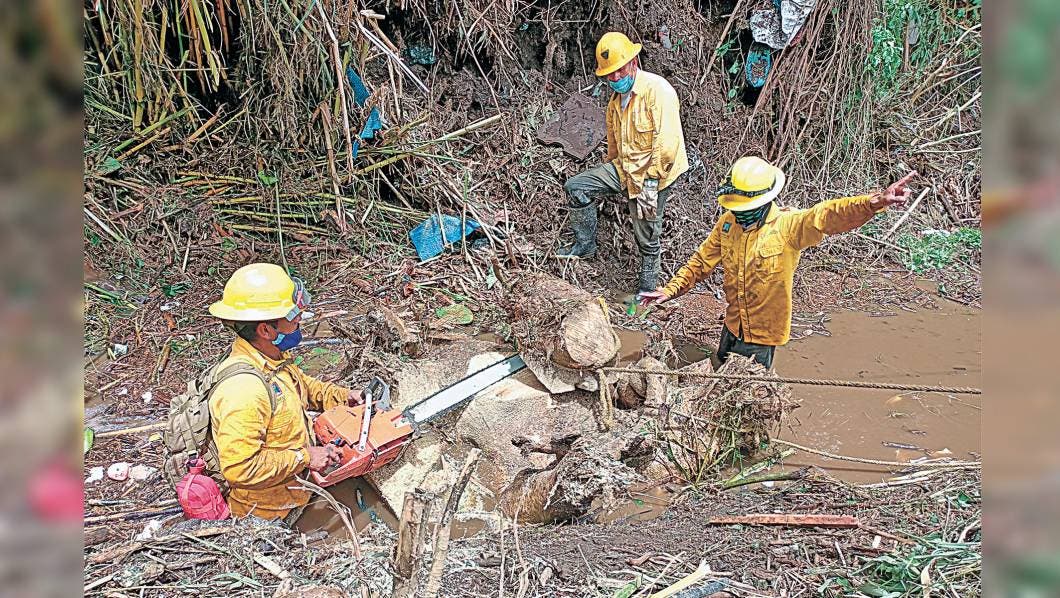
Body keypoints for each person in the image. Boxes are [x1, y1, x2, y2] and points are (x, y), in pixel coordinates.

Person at [640, 157, 915, 369]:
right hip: (733, 323)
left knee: (747, 398)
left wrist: (876, 201)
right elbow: (701, 262)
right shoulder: (727, 225)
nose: (739, 215)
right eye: (735, 209)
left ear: (764, 202)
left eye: (745, 210)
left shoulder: (789, 226)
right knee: (720, 367)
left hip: (762, 334)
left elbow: (827, 215)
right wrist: (670, 290)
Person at [206, 263, 362, 521]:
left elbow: (303, 386)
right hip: (269, 515)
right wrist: (305, 457)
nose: (300, 318)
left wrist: (343, 396)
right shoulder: (244, 391)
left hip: (299, 489)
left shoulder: (270, 356)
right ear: (266, 330)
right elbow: (239, 469)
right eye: (292, 314)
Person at [556, 31, 689, 296]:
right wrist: (613, 178)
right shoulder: (615, 103)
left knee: (647, 232)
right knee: (577, 187)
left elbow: (667, 146)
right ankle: (585, 247)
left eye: (619, 70)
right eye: (609, 74)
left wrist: (646, 189)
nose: (615, 78)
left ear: (633, 62)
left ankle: (648, 288)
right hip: (624, 168)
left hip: (654, 176)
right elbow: (615, 146)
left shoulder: (657, 91)